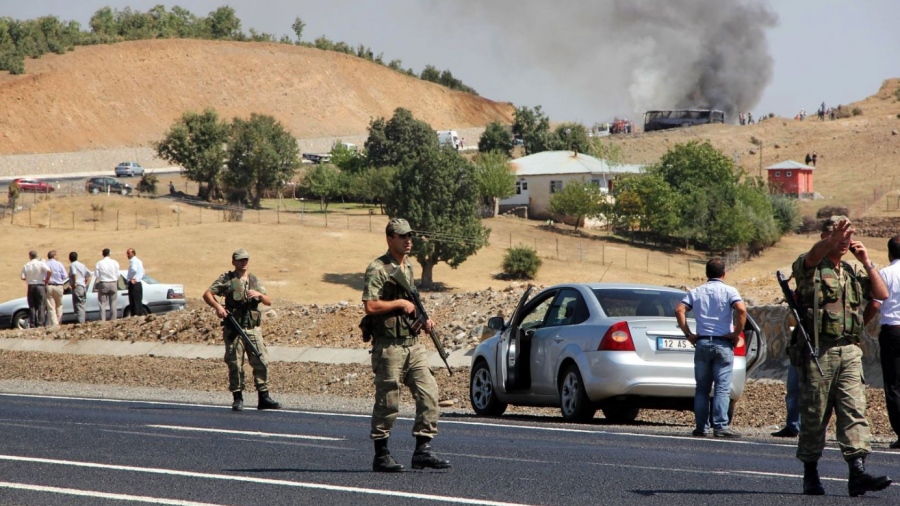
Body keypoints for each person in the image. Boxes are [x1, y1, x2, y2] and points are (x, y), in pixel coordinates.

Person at [791, 215, 891, 497]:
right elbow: (812, 255)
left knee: (854, 410)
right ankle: (811, 473)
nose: (846, 241)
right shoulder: (808, 267)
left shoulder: (849, 270)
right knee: (814, 414)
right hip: (818, 351)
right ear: (826, 237)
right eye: (840, 236)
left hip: (849, 350)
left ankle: (857, 472)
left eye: (849, 236)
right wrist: (832, 238)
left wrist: (867, 261)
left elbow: (881, 294)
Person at [362, 218, 451, 473]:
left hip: (413, 345)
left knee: (429, 393)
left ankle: (422, 450)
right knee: (388, 401)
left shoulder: (408, 267)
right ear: (390, 239)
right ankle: (381, 455)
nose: (408, 240)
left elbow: (411, 303)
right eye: (402, 236)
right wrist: (398, 304)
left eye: (410, 236)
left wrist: (423, 320)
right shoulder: (378, 269)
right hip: (388, 347)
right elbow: (370, 306)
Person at [675, 257, 746, 439]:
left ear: (706, 273)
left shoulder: (696, 291)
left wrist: (688, 334)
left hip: (703, 342)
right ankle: (720, 426)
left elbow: (679, 310)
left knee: (702, 389)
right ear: (724, 273)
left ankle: (701, 427)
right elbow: (741, 310)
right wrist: (736, 332)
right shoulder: (729, 291)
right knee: (722, 388)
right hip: (723, 342)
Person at [202, 248, 281, 412]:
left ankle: (263, 397)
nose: (243, 262)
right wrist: (218, 307)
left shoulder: (253, 280)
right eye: (240, 260)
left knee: (261, 361)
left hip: (252, 329)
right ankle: (238, 398)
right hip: (234, 328)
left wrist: (259, 295)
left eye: (245, 260)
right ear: (234, 262)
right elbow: (208, 294)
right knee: (235, 364)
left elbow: (268, 301)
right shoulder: (227, 279)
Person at [867, 235, 900, 450]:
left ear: (889, 253)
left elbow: (876, 304)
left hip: (893, 331)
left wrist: (860, 323)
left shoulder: (885, 274)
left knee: (894, 384)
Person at [21, 250, 50, 328]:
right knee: (41, 304)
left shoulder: (26, 265)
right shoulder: (40, 263)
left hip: (31, 286)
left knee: (32, 306)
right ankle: (41, 323)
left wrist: (30, 278)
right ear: (37, 255)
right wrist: (47, 279)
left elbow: (23, 277)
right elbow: (49, 271)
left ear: (30, 256)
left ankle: (33, 324)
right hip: (40, 285)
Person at [771, 364, 800, 437]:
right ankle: (793, 427)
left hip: (816, 358)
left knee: (815, 395)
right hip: (797, 356)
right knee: (793, 392)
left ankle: (815, 430)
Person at [94, 248, 120, 321]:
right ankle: (113, 319)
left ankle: (102, 320)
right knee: (113, 302)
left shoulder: (99, 263)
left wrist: (102, 278)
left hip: (103, 283)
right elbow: (118, 274)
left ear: (102, 254)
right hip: (113, 283)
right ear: (109, 254)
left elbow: (96, 275)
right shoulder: (115, 262)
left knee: (102, 303)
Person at [44, 250, 69, 327]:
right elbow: (65, 276)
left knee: (51, 307)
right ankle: (58, 322)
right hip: (58, 286)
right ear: (54, 256)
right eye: (57, 255)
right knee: (59, 305)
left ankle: (54, 323)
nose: (58, 257)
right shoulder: (59, 264)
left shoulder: (45, 264)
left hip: (49, 286)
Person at [68, 251, 92, 324]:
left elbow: (74, 274)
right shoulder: (82, 265)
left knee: (78, 305)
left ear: (70, 258)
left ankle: (80, 322)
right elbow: (89, 274)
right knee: (82, 305)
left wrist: (74, 283)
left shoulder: (72, 265)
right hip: (83, 287)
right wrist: (85, 283)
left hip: (77, 286)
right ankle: (82, 321)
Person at [125, 248, 145, 317]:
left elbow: (134, 270)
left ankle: (135, 316)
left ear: (133, 253)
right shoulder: (139, 261)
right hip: (138, 283)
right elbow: (143, 272)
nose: (127, 255)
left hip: (134, 283)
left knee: (133, 301)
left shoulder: (133, 261)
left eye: (128, 253)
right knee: (138, 300)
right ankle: (139, 314)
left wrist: (130, 278)